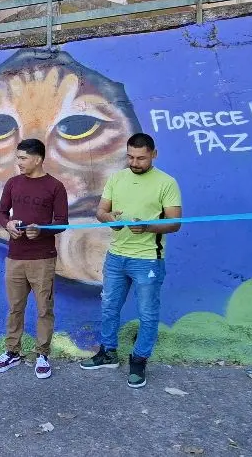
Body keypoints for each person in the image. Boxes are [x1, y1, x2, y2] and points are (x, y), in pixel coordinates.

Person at [81, 133, 182, 388]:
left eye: (141, 158)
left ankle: (139, 360)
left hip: (148, 260)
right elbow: (101, 212)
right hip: (116, 257)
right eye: (130, 157)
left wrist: (148, 227)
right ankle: (108, 353)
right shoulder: (117, 178)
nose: (135, 162)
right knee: (109, 307)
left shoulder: (167, 183)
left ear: (154, 155)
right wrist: (110, 218)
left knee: (147, 314)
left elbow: (175, 223)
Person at [0, 138, 69, 379]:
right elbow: (1, 213)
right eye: (18, 158)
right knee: (15, 307)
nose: (19, 163)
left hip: (43, 259)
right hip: (15, 256)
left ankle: (42, 354)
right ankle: (12, 351)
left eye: (23, 158)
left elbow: (62, 222)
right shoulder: (13, 184)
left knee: (44, 308)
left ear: (37, 159)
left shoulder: (55, 187)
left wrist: (42, 229)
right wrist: (9, 224)